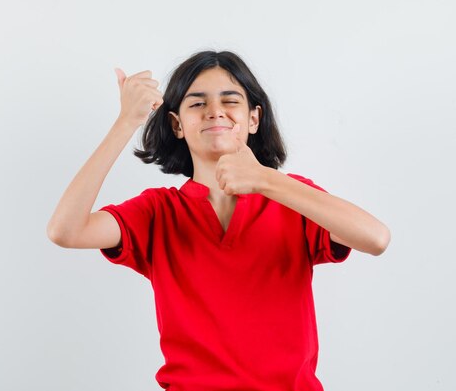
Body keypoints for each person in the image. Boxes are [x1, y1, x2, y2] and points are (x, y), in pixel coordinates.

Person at [47, 50, 390, 391]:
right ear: (176, 124)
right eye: (197, 103)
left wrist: (265, 180)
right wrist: (126, 122)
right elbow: (65, 230)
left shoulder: (291, 196)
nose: (215, 111)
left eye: (230, 100)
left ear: (253, 119)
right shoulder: (157, 212)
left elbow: (375, 238)